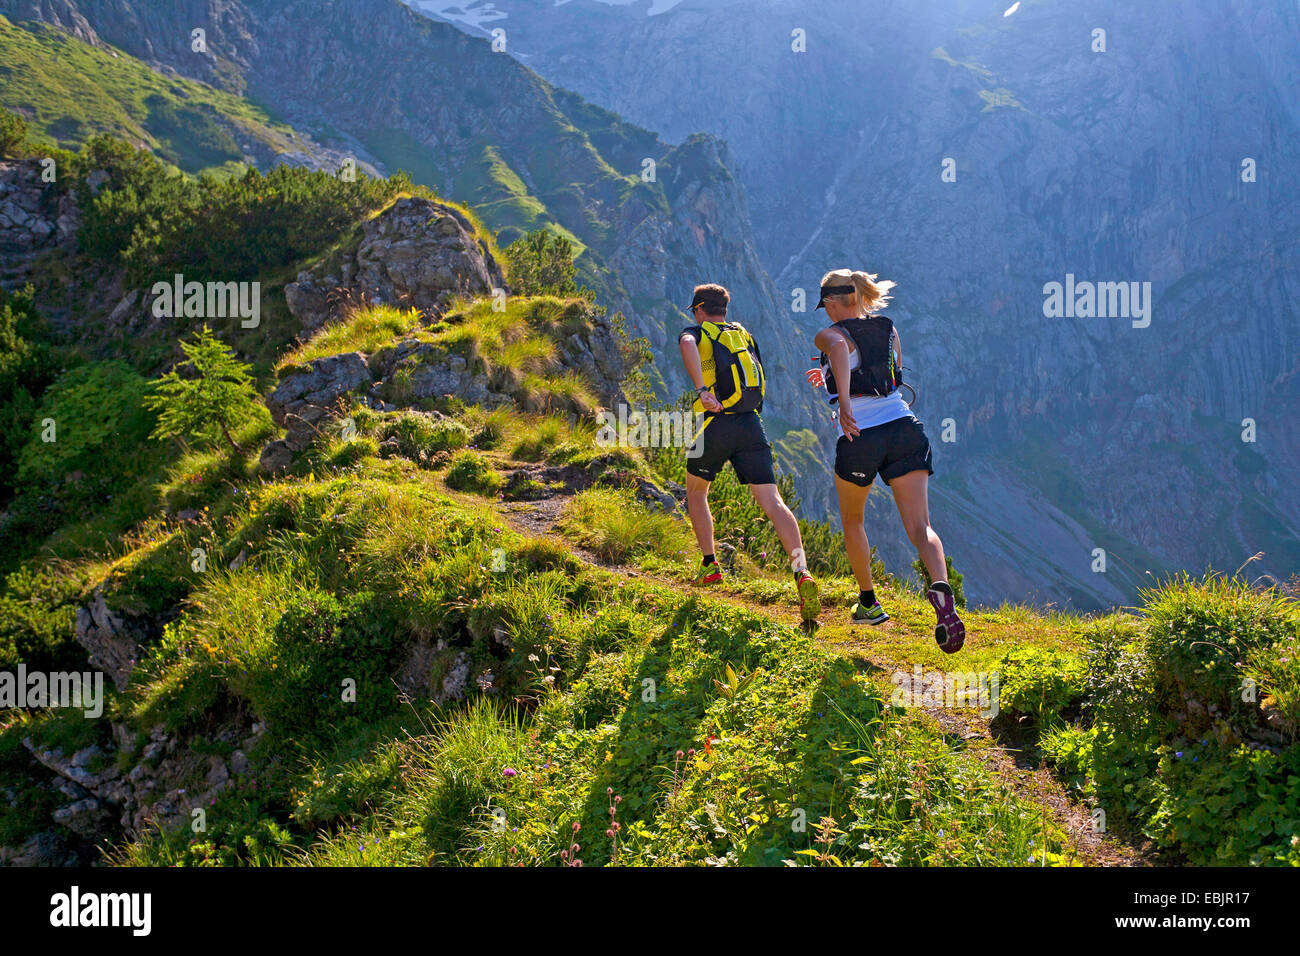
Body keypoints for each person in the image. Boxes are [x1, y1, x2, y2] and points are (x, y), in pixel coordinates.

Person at [805, 269, 965, 653]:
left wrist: (843, 401)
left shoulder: (829, 335)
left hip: (862, 433)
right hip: (905, 427)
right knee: (920, 525)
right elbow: (886, 371)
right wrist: (829, 378)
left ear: (830, 302)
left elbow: (842, 350)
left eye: (824, 306)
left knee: (853, 519)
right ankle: (941, 588)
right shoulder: (889, 328)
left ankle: (869, 603)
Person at [677, 283, 820, 622]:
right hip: (751, 425)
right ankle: (802, 571)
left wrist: (701, 389)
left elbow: (685, 343)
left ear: (699, 309)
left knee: (696, 493)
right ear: (724, 309)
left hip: (715, 423)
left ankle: (710, 565)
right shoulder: (743, 335)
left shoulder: (697, 332)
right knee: (774, 503)